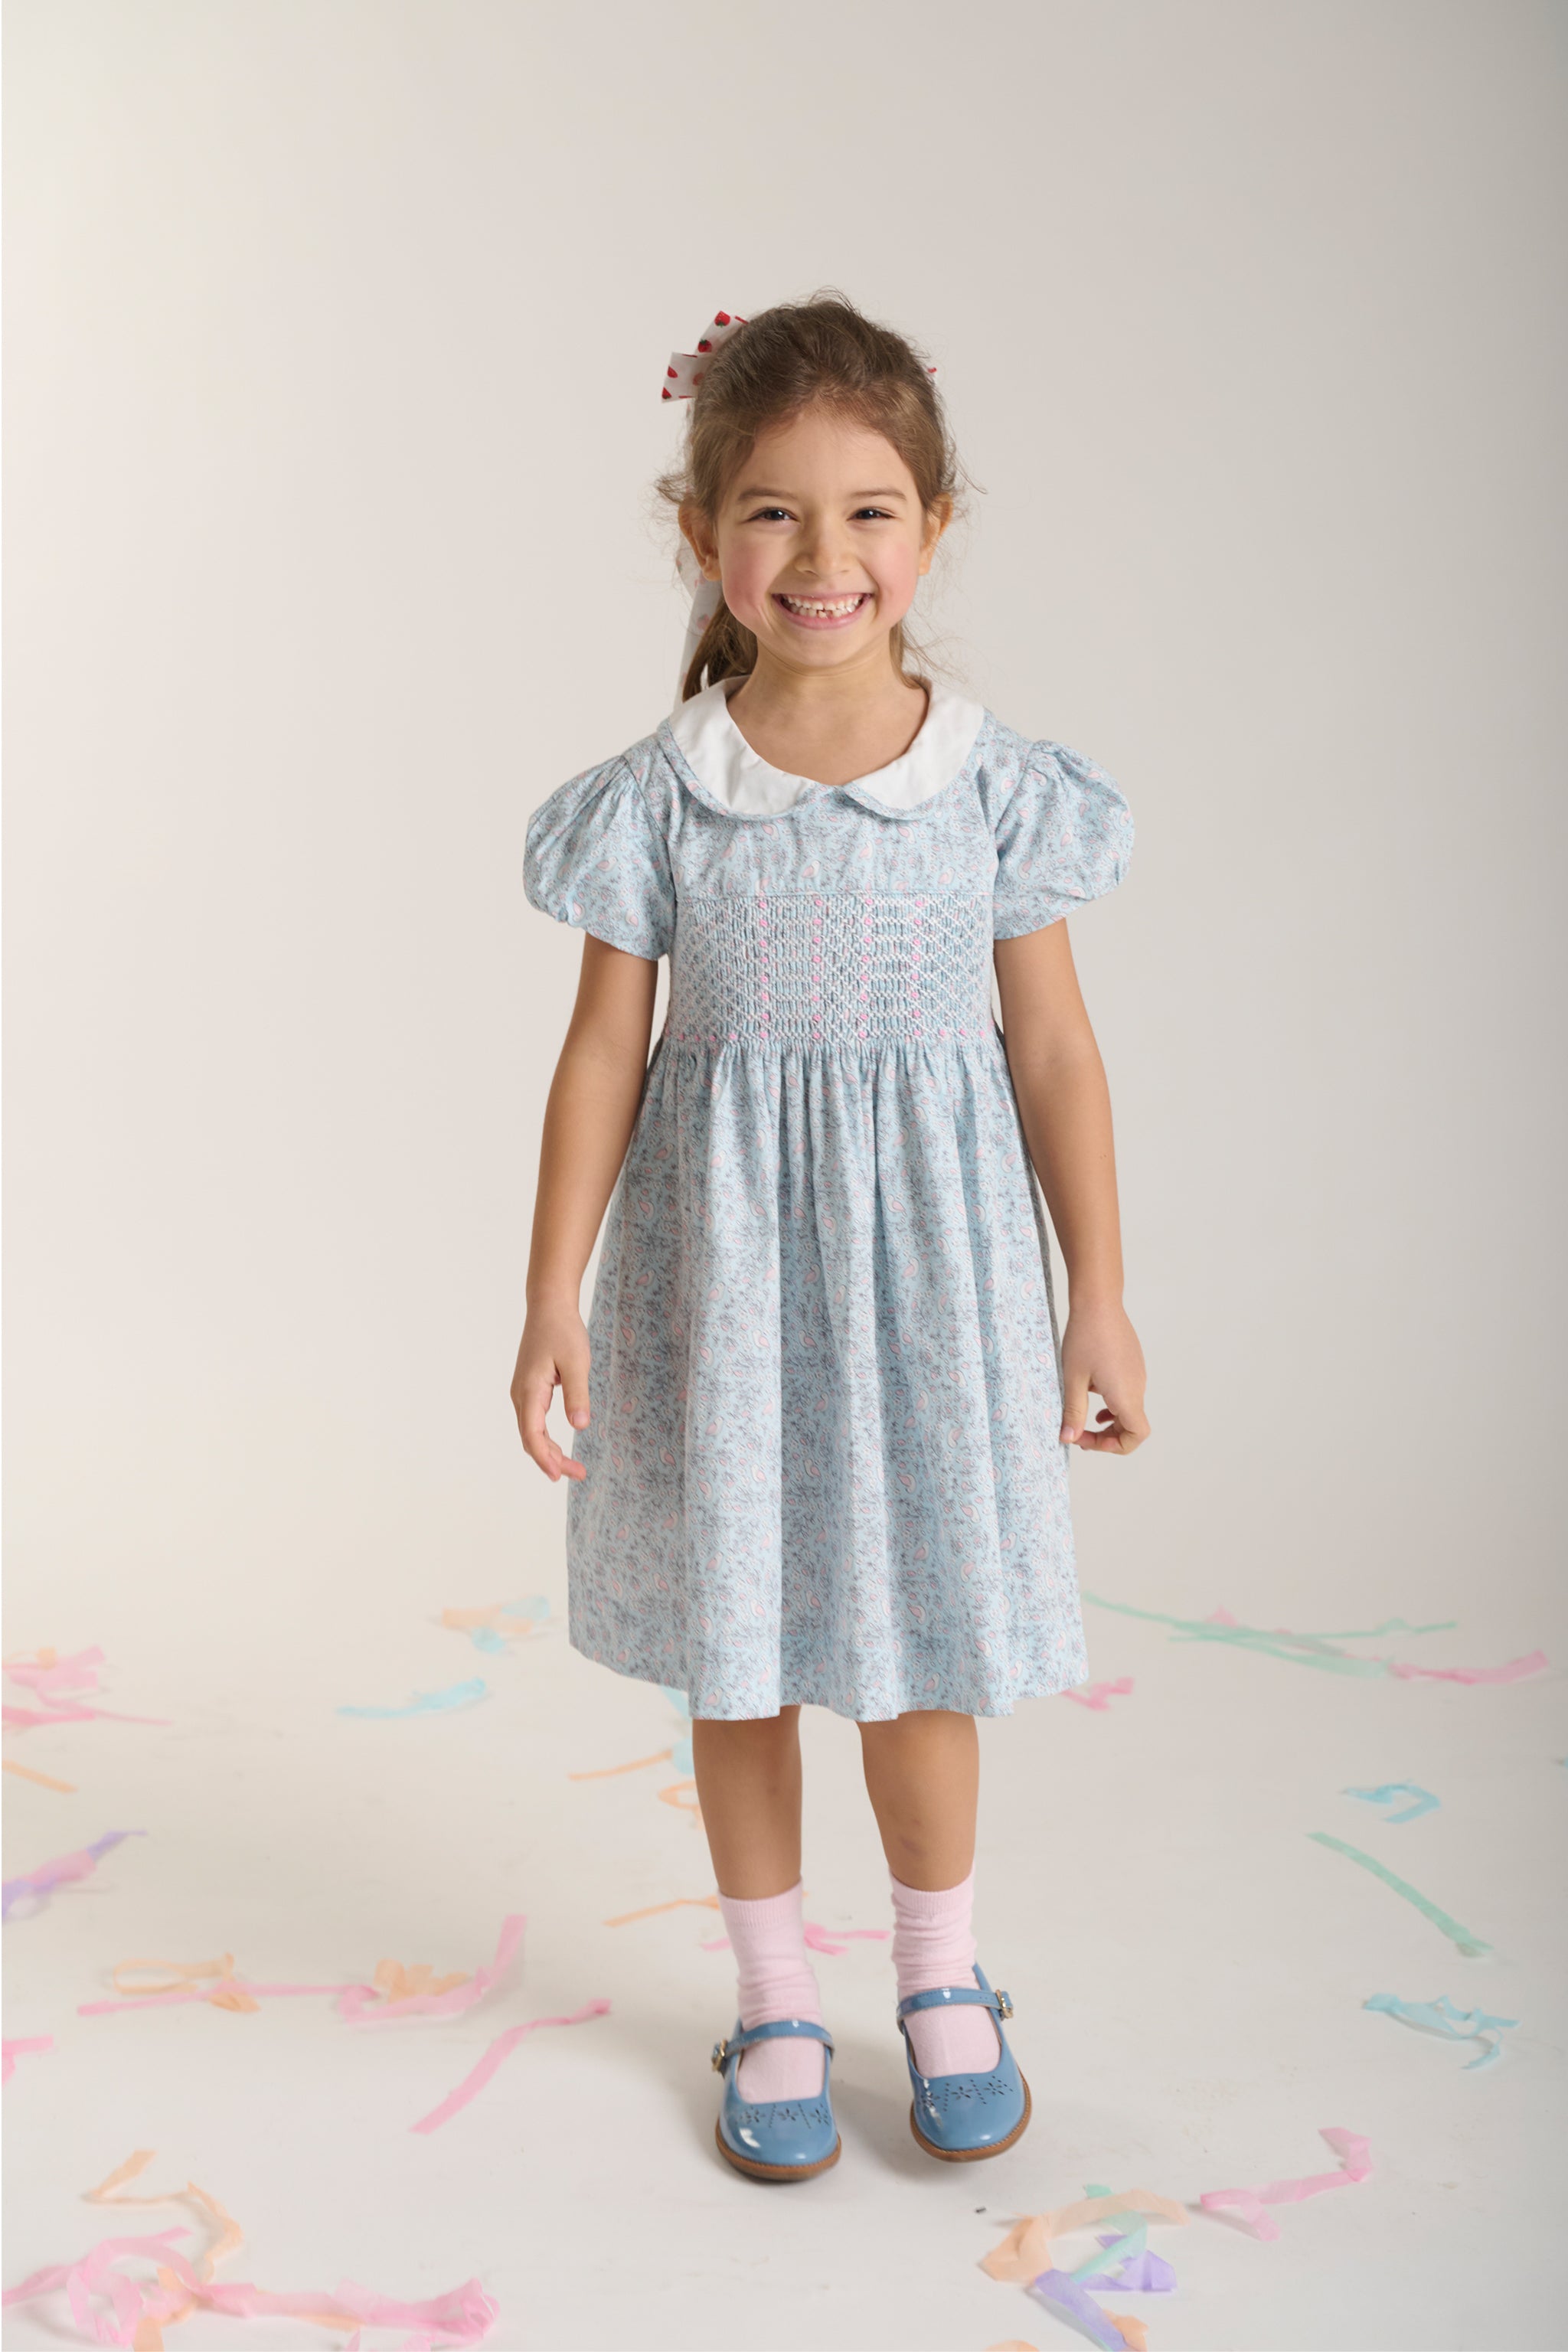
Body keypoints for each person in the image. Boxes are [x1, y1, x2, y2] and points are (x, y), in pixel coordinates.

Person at [511, 293, 1149, 2184]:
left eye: (869, 512)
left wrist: (1098, 1292)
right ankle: (777, 1991)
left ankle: (940, 1979)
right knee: (745, 1655)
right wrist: (550, 1292)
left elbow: (1052, 1044)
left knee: (922, 1650)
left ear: (932, 530)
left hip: (933, 1292)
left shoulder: (992, 791)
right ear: (704, 532)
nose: (823, 556)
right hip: (720, 1289)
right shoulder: (658, 800)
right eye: (774, 513)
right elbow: (600, 1054)